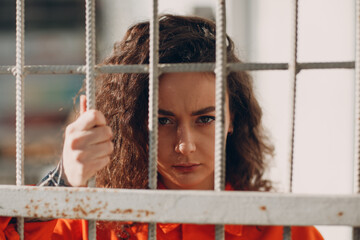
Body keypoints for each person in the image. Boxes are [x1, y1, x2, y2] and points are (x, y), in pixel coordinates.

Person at [0, 15, 324, 240]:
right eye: (163, 120)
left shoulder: (281, 230)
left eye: (206, 119)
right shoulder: (96, 224)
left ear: (233, 119)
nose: (185, 146)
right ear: (132, 125)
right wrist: (61, 184)